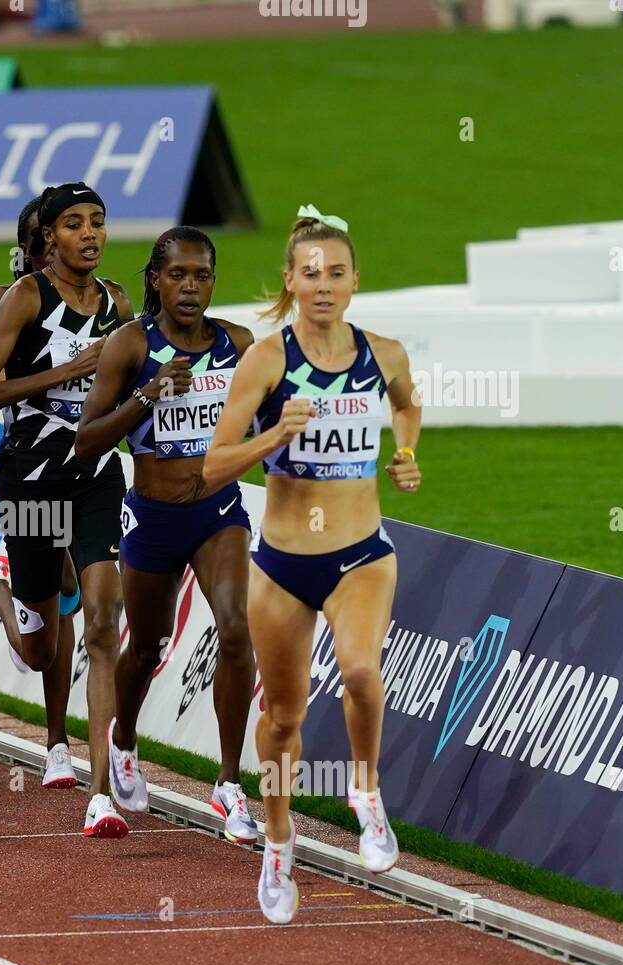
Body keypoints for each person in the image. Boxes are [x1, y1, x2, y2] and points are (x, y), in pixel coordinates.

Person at [202, 205, 422, 923]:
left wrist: (406, 450)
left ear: (355, 281)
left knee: (361, 670)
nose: (322, 285)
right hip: (284, 563)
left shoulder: (383, 352)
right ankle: (277, 837)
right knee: (285, 718)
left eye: (336, 273)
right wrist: (273, 439)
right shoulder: (268, 360)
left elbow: (407, 404)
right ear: (289, 282)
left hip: (361, 552)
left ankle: (365, 789)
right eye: (309, 274)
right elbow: (211, 464)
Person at [0, 183, 133, 837]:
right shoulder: (26, 298)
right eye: (74, 224)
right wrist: (65, 374)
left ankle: (100, 791)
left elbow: (124, 384)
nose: (89, 233)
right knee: (38, 644)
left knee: (98, 621)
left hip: (94, 479)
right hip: (31, 480)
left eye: (98, 222)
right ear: (47, 239)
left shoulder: (118, 302)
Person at [76, 226, 259, 843]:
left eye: (201, 276)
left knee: (236, 629)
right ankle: (122, 740)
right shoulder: (130, 345)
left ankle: (229, 784)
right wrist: (147, 398)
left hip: (217, 512)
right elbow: (88, 438)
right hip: (151, 518)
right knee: (147, 649)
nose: (190, 286)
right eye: (177, 274)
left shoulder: (238, 344)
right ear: (154, 279)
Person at [0, 192, 79, 787]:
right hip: (28, 468)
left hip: (87, 466)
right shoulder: (6, 300)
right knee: (54, 612)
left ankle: (60, 744)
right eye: (50, 238)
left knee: (75, 594)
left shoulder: (101, 299)